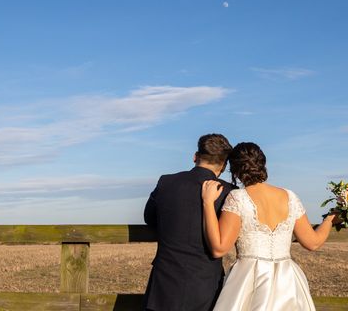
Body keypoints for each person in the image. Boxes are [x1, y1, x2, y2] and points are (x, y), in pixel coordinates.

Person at [201, 142, 336, 311]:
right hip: (288, 282)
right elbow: (313, 242)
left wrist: (207, 203)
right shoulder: (290, 196)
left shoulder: (238, 198)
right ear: (262, 164)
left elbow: (219, 248)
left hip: (248, 281)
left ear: (235, 170)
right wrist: (329, 220)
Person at [144, 133, 236, 311]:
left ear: (195, 156)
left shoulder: (166, 182)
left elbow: (149, 218)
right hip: (205, 284)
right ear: (224, 165)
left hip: (164, 283)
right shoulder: (229, 192)